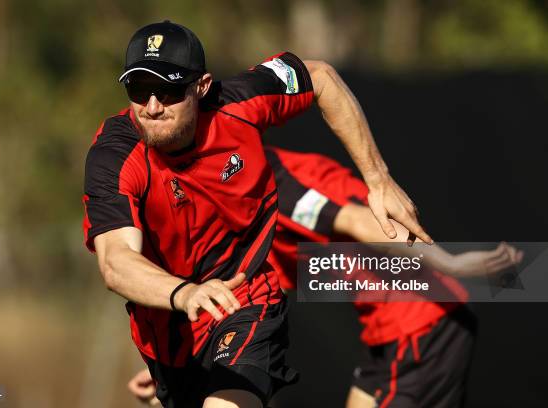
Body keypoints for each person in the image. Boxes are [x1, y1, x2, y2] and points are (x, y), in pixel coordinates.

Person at [83, 20, 431, 408]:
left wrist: (379, 180)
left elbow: (321, 78)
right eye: (140, 89)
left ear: (201, 86)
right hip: (170, 332)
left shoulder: (243, 109)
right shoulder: (114, 155)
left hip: (246, 300)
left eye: (168, 90)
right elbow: (116, 261)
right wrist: (186, 294)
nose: (152, 106)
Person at [128, 146, 522, 408]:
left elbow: (362, 221)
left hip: (425, 324)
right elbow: (244, 303)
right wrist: (172, 367)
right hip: (395, 333)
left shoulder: (265, 184)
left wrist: (452, 265)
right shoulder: (239, 205)